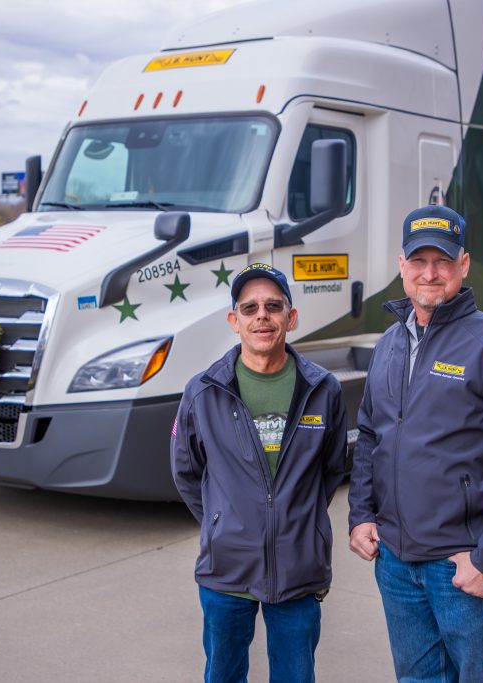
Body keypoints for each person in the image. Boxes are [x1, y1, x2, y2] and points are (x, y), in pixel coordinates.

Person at [348, 205, 483, 682]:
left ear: (463, 266)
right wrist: (361, 514)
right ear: (402, 267)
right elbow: (371, 436)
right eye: (418, 261)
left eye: (442, 261)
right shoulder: (388, 345)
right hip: (397, 564)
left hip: (461, 566)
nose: (429, 273)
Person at [171, 262, 348, 683]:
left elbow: (332, 469)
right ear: (235, 321)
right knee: (223, 675)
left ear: (291, 316)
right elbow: (186, 471)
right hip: (226, 571)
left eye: (273, 305)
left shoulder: (324, 389)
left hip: (298, 570)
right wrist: (224, 520)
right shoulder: (203, 390)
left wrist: (293, 522)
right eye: (249, 308)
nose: (262, 316)